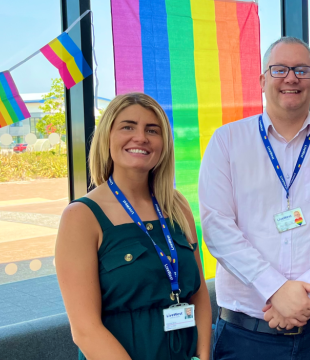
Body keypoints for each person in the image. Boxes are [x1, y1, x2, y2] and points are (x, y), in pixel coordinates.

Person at [199, 36, 310, 360]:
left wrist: (303, 296)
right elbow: (217, 227)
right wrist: (275, 289)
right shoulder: (226, 142)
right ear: (263, 79)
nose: (291, 77)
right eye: (279, 69)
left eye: (302, 70)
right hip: (246, 336)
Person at [56, 93, 212, 360]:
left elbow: (198, 294)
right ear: (107, 138)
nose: (141, 137)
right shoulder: (81, 216)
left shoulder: (177, 206)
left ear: (163, 144)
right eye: (128, 127)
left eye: (152, 130)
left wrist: (203, 356)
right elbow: (85, 330)